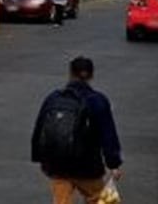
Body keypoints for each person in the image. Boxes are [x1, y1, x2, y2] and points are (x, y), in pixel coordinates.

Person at [31, 56, 123, 204]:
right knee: (100, 200)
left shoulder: (53, 98)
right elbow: (108, 135)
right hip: (88, 167)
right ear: (91, 75)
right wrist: (114, 164)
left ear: (70, 74)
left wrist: (40, 157)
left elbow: (40, 128)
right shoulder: (97, 100)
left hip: (58, 166)